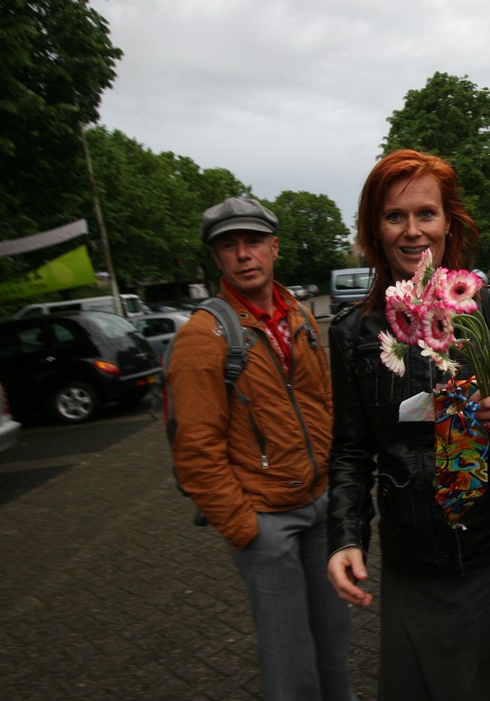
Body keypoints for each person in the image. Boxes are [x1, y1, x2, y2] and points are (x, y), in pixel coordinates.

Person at [327, 149, 490, 701]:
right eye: (395, 216)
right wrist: (345, 538)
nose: (412, 231)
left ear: (449, 222)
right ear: (375, 230)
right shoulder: (353, 334)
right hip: (416, 565)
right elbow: (351, 452)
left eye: (426, 213)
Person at [168, 197, 353, 701]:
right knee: (289, 658)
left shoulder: (299, 315)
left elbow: (324, 400)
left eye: (253, 241)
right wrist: (246, 527)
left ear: (274, 247)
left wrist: (336, 481)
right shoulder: (202, 337)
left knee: (334, 639)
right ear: (216, 257)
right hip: (266, 520)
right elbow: (195, 452)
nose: (243, 254)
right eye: (229, 246)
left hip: (320, 506)